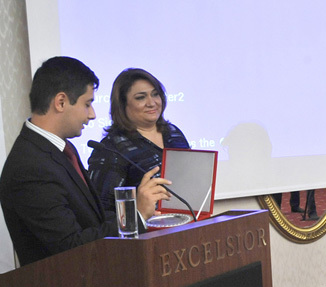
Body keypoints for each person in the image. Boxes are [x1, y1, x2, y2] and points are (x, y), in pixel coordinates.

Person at [0, 57, 170, 266]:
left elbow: (93, 219)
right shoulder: (30, 166)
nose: (92, 114)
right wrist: (137, 216)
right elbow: (70, 246)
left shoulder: (60, 149)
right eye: (87, 104)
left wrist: (143, 213)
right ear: (61, 102)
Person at [88, 68, 190, 213]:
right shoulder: (111, 148)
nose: (152, 103)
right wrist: (137, 211)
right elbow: (102, 212)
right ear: (122, 105)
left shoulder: (173, 133)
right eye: (141, 97)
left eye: (155, 94)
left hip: (187, 223)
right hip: (146, 233)